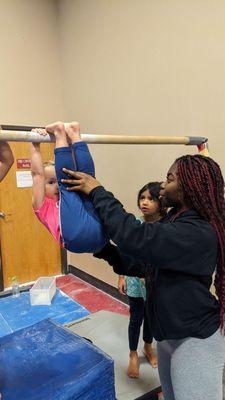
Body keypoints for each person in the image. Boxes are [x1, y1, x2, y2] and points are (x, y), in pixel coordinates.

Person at [61, 154, 225, 400]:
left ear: (188, 187)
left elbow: (133, 235)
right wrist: (102, 249)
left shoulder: (197, 232)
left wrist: (97, 191)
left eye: (169, 178)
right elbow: (143, 265)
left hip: (195, 340)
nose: (162, 185)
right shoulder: (177, 221)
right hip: (169, 335)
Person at [30, 121, 107, 253]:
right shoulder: (43, 206)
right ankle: (69, 133)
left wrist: (71, 144)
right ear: (42, 186)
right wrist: (34, 145)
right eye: (51, 182)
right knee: (69, 185)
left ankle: (72, 133)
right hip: (76, 237)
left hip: (100, 235)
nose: (57, 187)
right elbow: (37, 174)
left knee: (84, 180)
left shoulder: (69, 195)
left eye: (57, 181)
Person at [119, 182, 166, 378]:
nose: (144, 202)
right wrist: (122, 276)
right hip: (134, 281)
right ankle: (132, 354)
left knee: (151, 316)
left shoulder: (167, 226)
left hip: (155, 281)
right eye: (142, 198)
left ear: (161, 203)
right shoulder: (136, 224)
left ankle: (148, 346)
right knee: (136, 317)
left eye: (151, 198)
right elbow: (124, 252)